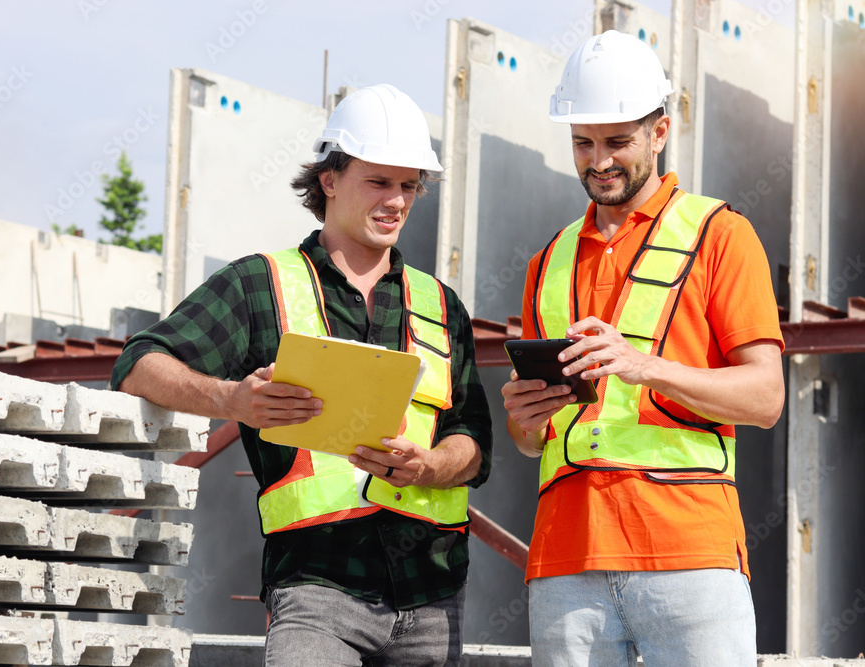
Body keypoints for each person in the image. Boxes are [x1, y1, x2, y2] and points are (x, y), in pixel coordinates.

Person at [111, 84, 493, 666]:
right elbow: (139, 364)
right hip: (317, 591)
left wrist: (431, 464)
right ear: (329, 179)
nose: (398, 200)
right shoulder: (259, 284)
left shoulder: (441, 305)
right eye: (379, 181)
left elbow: (474, 442)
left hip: (433, 594)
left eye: (409, 185)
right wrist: (231, 398)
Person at [501, 31, 785, 666]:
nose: (598, 160)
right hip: (565, 559)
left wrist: (642, 365)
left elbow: (766, 398)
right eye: (582, 142)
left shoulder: (721, 234)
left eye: (617, 142)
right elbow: (532, 443)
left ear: (659, 132)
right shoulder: (546, 261)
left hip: (687, 551)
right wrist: (526, 418)